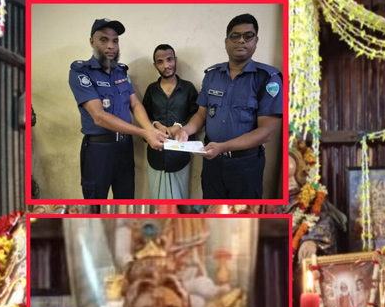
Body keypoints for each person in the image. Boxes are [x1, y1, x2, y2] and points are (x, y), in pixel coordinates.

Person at [172, 14, 283, 199]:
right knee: (212, 210)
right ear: (226, 42)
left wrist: (223, 147)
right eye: (235, 36)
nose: (241, 40)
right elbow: (201, 114)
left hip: (246, 165)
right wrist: (185, 130)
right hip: (212, 163)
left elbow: (267, 132)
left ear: (256, 41)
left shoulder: (268, 79)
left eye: (248, 36)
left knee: (243, 213)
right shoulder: (212, 75)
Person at [68, 19, 167, 199]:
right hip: (99, 150)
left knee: (125, 200)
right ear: (92, 42)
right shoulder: (81, 72)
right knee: (95, 205)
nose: (111, 46)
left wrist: (151, 129)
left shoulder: (120, 71)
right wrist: (143, 133)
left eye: (115, 40)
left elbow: (134, 104)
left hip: (124, 148)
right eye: (104, 40)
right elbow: (99, 116)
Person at [141, 44, 199, 199]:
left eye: (169, 59)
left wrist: (179, 127)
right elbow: (144, 116)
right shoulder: (151, 90)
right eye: (160, 62)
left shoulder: (188, 88)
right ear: (155, 65)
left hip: (180, 155)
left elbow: (197, 115)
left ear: (175, 60)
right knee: (157, 201)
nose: (166, 65)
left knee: (179, 200)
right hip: (156, 152)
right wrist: (156, 125)